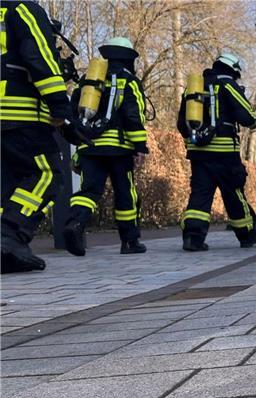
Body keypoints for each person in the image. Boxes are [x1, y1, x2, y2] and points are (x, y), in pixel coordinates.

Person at [1, 0, 80, 272]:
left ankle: (9, 254)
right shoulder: (23, 9)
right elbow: (40, 58)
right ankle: (9, 237)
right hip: (17, 114)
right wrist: (60, 105)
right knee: (46, 173)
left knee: (9, 183)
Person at [63, 37, 149, 256]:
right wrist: (139, 146)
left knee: (89, 191)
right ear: (128, 58)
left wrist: (79, 142)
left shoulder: (88, 79)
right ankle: (130, 242)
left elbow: (73, 112)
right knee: (125, 194)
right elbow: (133, 116)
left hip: (89, 147)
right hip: (119, 149)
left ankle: (75, 225)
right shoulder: (128, 81)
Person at [176, 53, 256, 251]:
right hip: (225, 153)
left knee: (200, 194)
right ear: (233, 69)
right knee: (233, 193)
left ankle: (192, 238)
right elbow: (247, 116)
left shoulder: (194, 87)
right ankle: (248, 233)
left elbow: (182, 124)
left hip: (198, 153)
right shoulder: (227, 84)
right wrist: (254, 120)